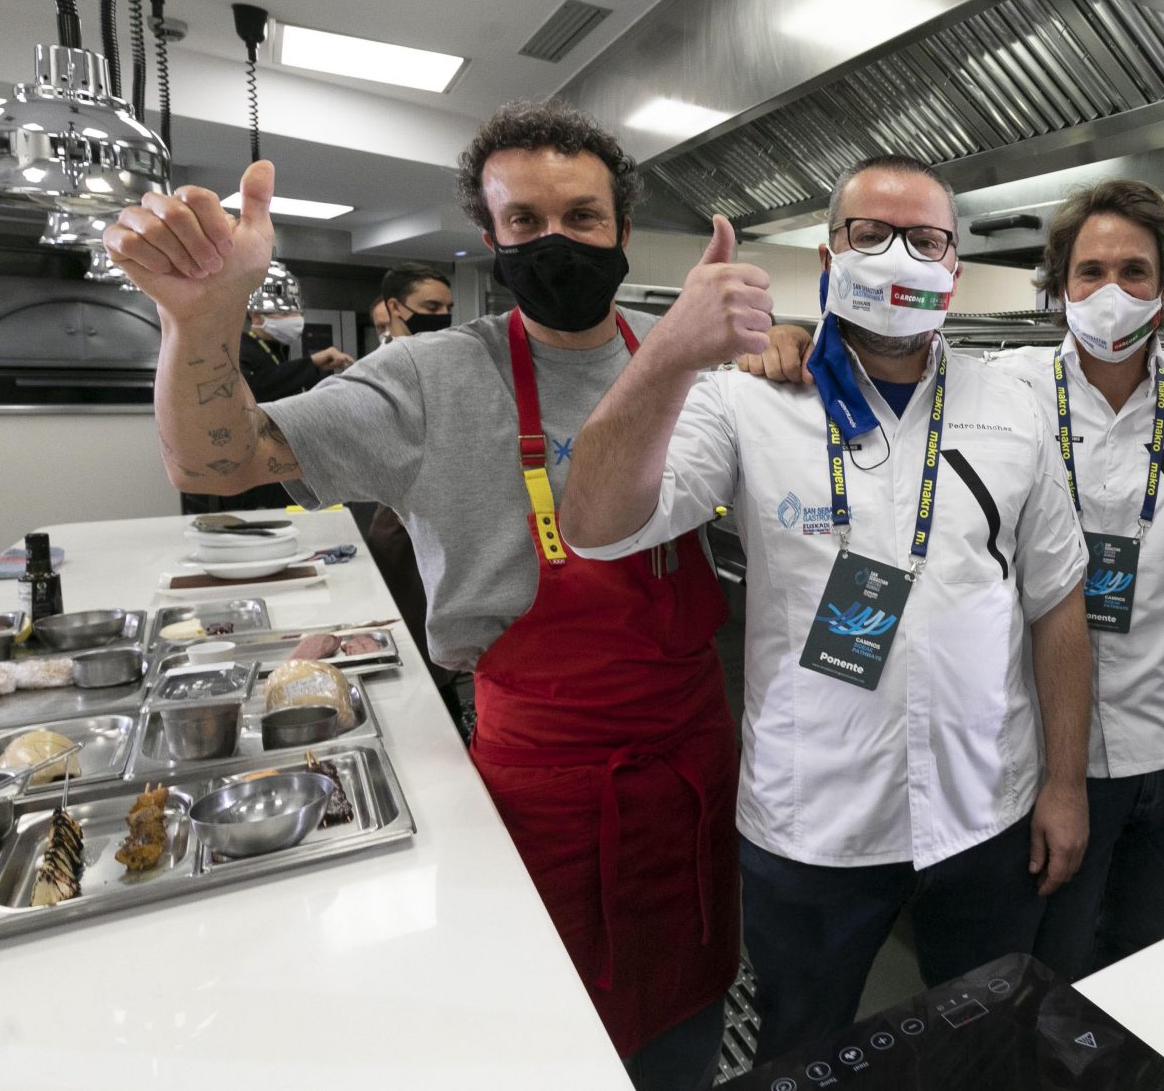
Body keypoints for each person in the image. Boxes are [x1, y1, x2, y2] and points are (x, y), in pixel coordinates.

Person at [102, 101, 738, 1091]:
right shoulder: (428, 376)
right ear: (491, 239)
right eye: (524, 222)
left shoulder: (692, 354)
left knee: (689, 1011)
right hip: (542, 765)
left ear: (621, 229)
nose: (553, 239)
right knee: (539, 1022)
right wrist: (200, 318)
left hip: (691, 749)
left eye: (580, 216)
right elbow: (218, 459)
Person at [744, 178, 1164, 981]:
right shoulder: (1004, 388)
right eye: (1089, 272)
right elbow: (886, 371)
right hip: (1051, 756)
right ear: (1060, 287)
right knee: (1047, 974)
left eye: (1135, 273)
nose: (1111, 292)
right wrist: (801, 338)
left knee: (1138, 963)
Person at [560, 155, 1093, 1061]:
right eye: (870, 234)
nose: (899, 256)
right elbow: (598, 526)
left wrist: (1066, 783)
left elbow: (1056, 600)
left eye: (925, 239)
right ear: (827, 254)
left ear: (953, 268)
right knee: (802, 1053)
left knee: (985, 1046)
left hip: (984, 809)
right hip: (814, 823)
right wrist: (674, 355)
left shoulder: (1014, 405)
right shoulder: (744, 396)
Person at [179, 294, 352, 514]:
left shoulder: (276, 350)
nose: (295, 318)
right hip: (247, 467)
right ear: (256, 315)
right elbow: (252, 390)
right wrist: (311, 363)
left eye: (297, 312)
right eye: (285, 313)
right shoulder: (238, 347)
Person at [374, 262, 454, 342]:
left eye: (449, 309)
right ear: (395, 307)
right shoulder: (386, 354)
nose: (445, 314)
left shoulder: (454, 350)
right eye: (432, 308)